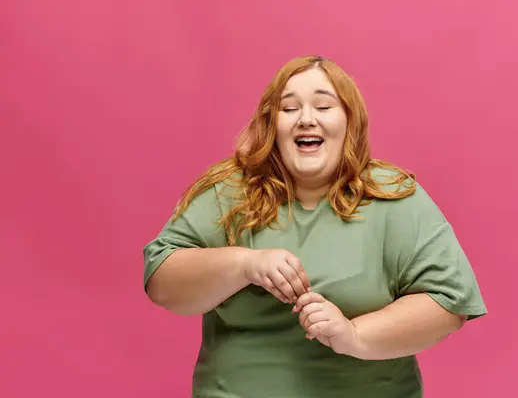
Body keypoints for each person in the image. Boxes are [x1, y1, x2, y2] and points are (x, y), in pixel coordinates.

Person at [143, 55, 487, 398]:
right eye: (290, 109)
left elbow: (448, 303)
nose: (306, 119)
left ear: (349, 121)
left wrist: (354, 335)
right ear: (271, 124)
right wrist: (245, 264)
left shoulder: (393, 197)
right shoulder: (230, 192)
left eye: (324, 107)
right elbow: (161, 280)